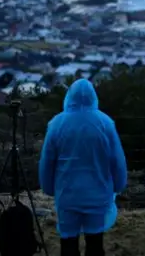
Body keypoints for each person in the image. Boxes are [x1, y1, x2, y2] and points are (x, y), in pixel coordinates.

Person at [39, 79, 127, 256]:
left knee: (68, 243)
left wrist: (48, 188)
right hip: (98, 195)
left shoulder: (56, 124)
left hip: (67, 196)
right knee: (95, 243)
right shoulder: (105, 123)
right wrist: (119, 185)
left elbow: (47, 161)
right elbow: (117, 160)